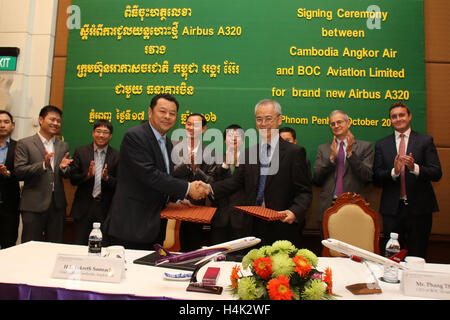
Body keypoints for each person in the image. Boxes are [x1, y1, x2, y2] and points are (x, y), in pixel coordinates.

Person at [104, 94, 208, 250]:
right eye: (162, 111)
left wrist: (178, 200)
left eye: (172, 114)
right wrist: (188, 188)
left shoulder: (166, 142)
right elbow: (150, 175)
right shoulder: (135, 137)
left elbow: (165, 178)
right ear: (150, 112)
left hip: (153, 225)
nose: (167, 117)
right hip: (132, 225)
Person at [207, 99, 312, 247]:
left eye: (268, 118)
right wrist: (209, 189)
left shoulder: (295, 152)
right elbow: (236, 181)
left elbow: (305, 192)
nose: (263, 123)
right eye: (259, 119)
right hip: (251, 225)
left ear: (279, 119)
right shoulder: (249, 152)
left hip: (282, 225)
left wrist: (294, 212)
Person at [374, 102, 442, 258]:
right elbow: (376, 178)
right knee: (392, 258)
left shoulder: (425, 141)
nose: (398, 119)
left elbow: (437, 173)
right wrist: (394, 172)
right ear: (390, 120)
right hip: (392, 211)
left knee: (417, 256)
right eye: (394, 116)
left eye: (401, 115)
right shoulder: (382, 145)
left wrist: (414, 168)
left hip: (420, 210)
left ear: (409, 116)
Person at [14, 105, 73, 243]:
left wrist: (64, 168)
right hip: (33, 204)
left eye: (58, 121)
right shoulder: (25, 143)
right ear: (41, 120)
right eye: (52, 119)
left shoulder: (63, 145)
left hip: (57, 205)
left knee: (54, 245)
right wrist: (43, 165)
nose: (56, 123)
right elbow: (19, 171)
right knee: (30, 245)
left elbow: (65, 174)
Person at [312, 110, 374, 230]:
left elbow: (367, 176)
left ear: (348, 123)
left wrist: (350, 154)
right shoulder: (323, 148)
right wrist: (330, 160)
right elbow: (317, 179)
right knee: (327, 248)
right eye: (332, 124)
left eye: (339, 122)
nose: (336, 126)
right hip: (328, 206)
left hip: (354, 206)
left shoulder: (365, 147)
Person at [69, 120, 119, 245]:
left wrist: (107, 179)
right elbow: (73, 179)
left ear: (110, 136)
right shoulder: (80, 152)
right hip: (83, 208)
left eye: (105, 132)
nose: (101, 135)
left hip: (105, 209)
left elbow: (120, 183)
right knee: (79, 245)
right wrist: (87, 176)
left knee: (104, 247)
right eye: (98, 131)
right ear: (93, 133)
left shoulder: (117, 156)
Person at [172, 113, 216, 251]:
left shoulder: (210, 153)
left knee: (191, 249)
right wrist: (184, 165)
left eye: (195, 125)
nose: (191, 128)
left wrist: (196, 170)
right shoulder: (172, 146)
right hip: (172, 205)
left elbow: (211, 182)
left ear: (203, 129)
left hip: (196, 209)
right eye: (188, 124)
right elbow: (165, 175)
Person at [211, 124, 252, 245]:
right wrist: (225, 165)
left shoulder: (251, 161)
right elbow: (213, 186)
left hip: (242, 219)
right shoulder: (215, 159)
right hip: (220, 219)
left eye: (237, 136)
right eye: (230, 135)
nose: (234, 138)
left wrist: (238, 165)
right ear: (224, 140)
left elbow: (250, 185)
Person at [0, 110, 20, 248]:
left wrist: (7, 173)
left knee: (8, 246)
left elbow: (21, 172)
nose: (2, 125)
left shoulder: (19, 147)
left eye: (6, 122)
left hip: (9, 206)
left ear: (12, 125)